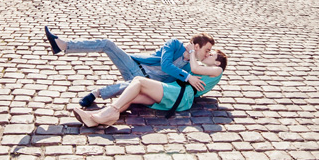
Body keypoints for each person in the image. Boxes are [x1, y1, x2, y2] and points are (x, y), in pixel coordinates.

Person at [44, 28, 215, 107]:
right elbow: (165, 65)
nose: (207, 55)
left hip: (143, 83)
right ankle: (64, 45)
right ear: (195, 45)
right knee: (107, 43)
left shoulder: (192, 68)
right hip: (134, 66)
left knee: (135, 84)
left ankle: (96, 93)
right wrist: (186, 76)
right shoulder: (174, 44)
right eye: (206, 50)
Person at [71, 48, 227, 127]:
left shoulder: (217, 70)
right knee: (132, 96)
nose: (208, 54)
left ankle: (110, 113)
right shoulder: (209, 71)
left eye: (211, 54)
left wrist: (193, 51)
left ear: (218, 62)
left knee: (139, 80)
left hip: (180, 94)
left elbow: (195, 67)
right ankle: (95, 118)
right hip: (176, 93)